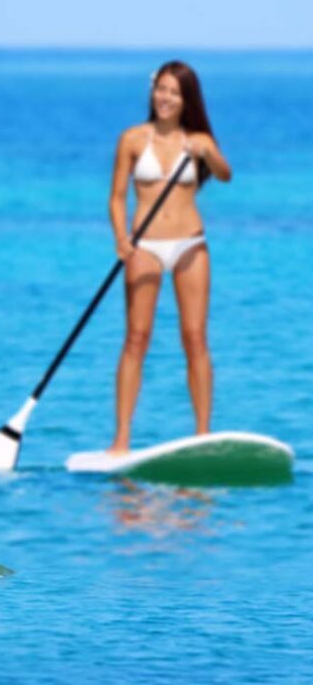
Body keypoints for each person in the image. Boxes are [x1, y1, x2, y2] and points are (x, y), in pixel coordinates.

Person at [108, 61, 232, 453]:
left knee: (195, 338)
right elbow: (116, 196)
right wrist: (121, 238)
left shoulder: (198, 141)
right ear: (153, 92)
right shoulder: (132, 138)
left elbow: (226, 175)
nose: (165, 98)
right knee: (136, 338)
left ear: (186, 100)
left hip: (190, 244)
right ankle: (122, 438)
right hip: (144, 246)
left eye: (174, 93)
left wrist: (207, 153)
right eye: (161, 89)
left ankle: (202, 435)